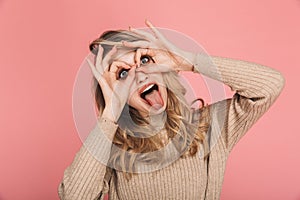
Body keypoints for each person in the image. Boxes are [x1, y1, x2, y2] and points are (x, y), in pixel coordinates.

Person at [58, 20, 285, 200]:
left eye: (145, 59)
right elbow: (73, 196)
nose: (140, 73)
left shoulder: (209, 127)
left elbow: (270, 86)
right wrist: (110, 112)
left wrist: (185, 60)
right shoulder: (111, 147)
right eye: (123, 74)